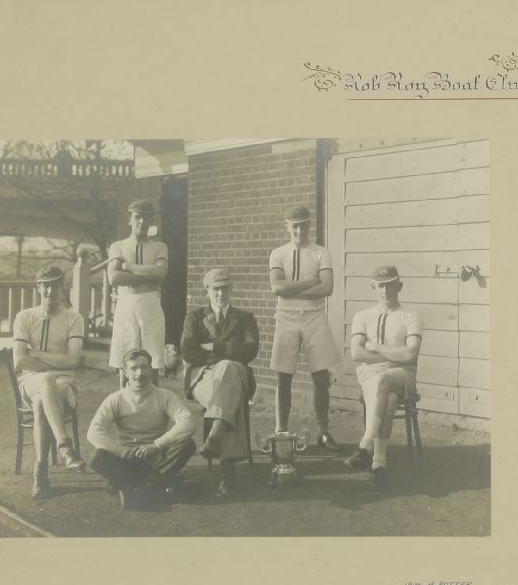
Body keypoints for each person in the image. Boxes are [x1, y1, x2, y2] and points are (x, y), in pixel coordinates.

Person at [180, 267, 261, 495]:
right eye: (216, 289)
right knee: (229, 386)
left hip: (237, 375)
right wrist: (229, 352)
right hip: (202, 378)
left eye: (225, 288)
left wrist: (213, 347)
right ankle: (228, 471)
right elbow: (188, 352)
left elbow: (251, 350)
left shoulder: (245, 318)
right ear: (207, 291)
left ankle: (216, 431)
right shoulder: (194, 317)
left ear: (231, 289)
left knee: (228, 372)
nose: (220, 294)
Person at [87, 348, 198, 509]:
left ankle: (132, 488)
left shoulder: (164, 396)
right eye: (133, 368)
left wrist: (156, 445)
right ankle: (154, 485)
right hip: (126, 459)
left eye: (144, 367)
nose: (139, 373)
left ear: (151, 369)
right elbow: (94, 432)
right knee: (97, 457)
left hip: (155, 457)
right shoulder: (116, 399)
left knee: (187, 444)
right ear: (125, 372)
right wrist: (122, 451)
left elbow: (188, 422)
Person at [11, 265, 87, 499]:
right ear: (38, 288)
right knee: (45, 382)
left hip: (65, 383)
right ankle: (65, 446)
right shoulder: (25, 316)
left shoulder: (74, 319)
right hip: (31, 381)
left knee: (41, 402)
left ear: (62, 287)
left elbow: (73, 361)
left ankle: (40, 474)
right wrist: (55, 363)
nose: (50, 290)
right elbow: (20, 361)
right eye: (45, 285)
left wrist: (38, 356)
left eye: (55, 284)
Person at [343, 265, 423, 488]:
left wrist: (375, 346)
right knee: (387, 399)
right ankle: (379, 465)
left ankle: (365, 445)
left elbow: (410, 354)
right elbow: (357, 353)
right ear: (373, 287)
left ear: (400, 286)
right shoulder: (362, 316)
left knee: (383, 380)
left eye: (390, 285)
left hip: (403, 376)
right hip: (370, 374)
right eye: (380, 286)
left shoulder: (411, 316)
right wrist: (393, 355)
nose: (385, 291)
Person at [268, 205, 339, 449]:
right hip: (286, 316)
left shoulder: (321, 253)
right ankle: (281, 430)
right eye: (294, 225)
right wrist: (309, 282)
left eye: (303, 224)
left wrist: (293, 288)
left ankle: (323, 431)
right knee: (283, 377)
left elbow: (327, 288)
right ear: (287, 227)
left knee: (320, 376)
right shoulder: (277, 253)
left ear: (310, 225)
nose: (299, 230)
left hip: (314, 316)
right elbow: (276, 288)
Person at [106, 198, 169, 385]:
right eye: (138, 217)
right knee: (125, 354)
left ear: (151, 221)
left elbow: (161, 274)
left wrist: (128, 266)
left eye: (147, 218)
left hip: (150, 304)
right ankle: (124, 405)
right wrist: (147, 276)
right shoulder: (118, 246)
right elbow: (114, 278)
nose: (142, 222)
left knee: (154, 356)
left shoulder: (159, 247)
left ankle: (154, 406)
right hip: (126, 304)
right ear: (129, 219)